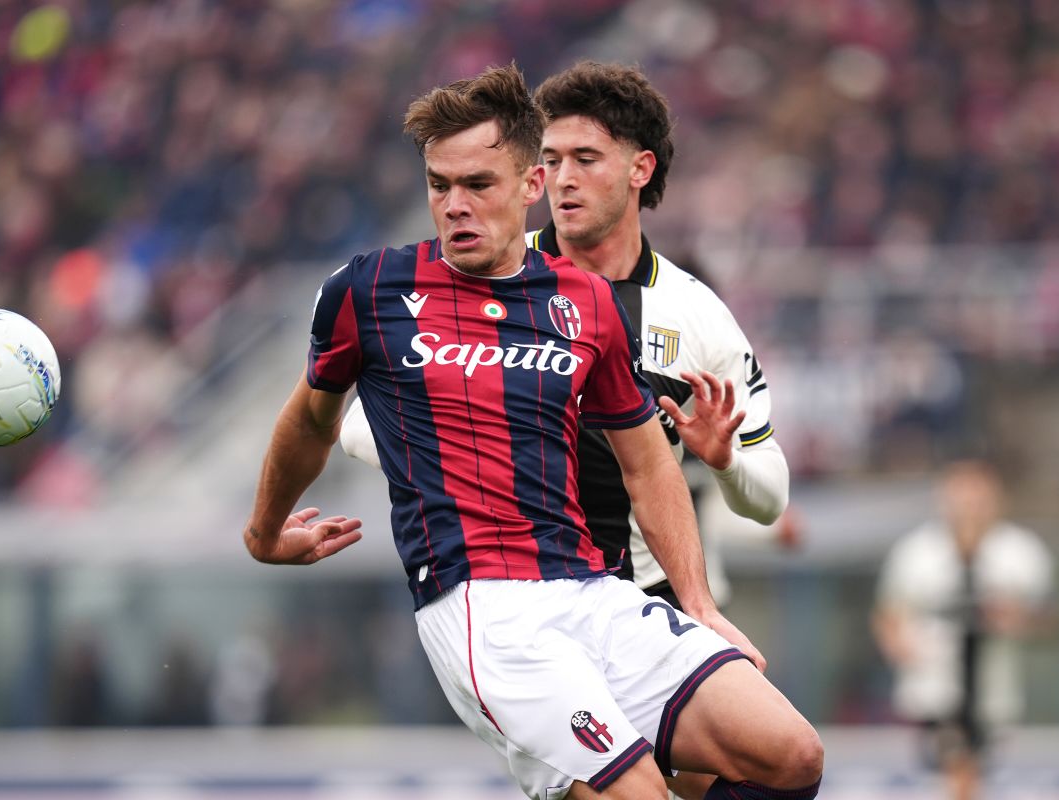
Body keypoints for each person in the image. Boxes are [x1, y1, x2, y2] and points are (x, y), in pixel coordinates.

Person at [243, 63, 822, 800]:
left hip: (599, 591)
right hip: (485, 610)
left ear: (527, 187)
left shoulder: (595, 305)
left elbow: (650, 465)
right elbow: (314, 419)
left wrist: (701, 607)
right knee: (641, 793)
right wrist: (263, 532)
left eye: (477, 184)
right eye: (438, 185)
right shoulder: (369, 290)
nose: (454, 205)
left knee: (792, 754)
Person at [340, 61, 797, 611]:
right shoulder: (474, 280)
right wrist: (487, 456)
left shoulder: (698, 313)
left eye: (585, 159)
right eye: (551, 160)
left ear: (640, 168)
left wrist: (725, 462)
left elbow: (770, 500)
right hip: (516, 595)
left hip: (652, 603)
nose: (563, 179)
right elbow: (360, 428)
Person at [872, 459, 1055, 800]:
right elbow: (889, 613)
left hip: (994, 688)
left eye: (978, 496)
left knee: (972, 771)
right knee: (955, 764)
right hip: (932, 683)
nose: (969, 505)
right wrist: (899, 646)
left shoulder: (1020, 552)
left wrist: (1015, 619)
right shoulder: (916, 552)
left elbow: (1047, 616)